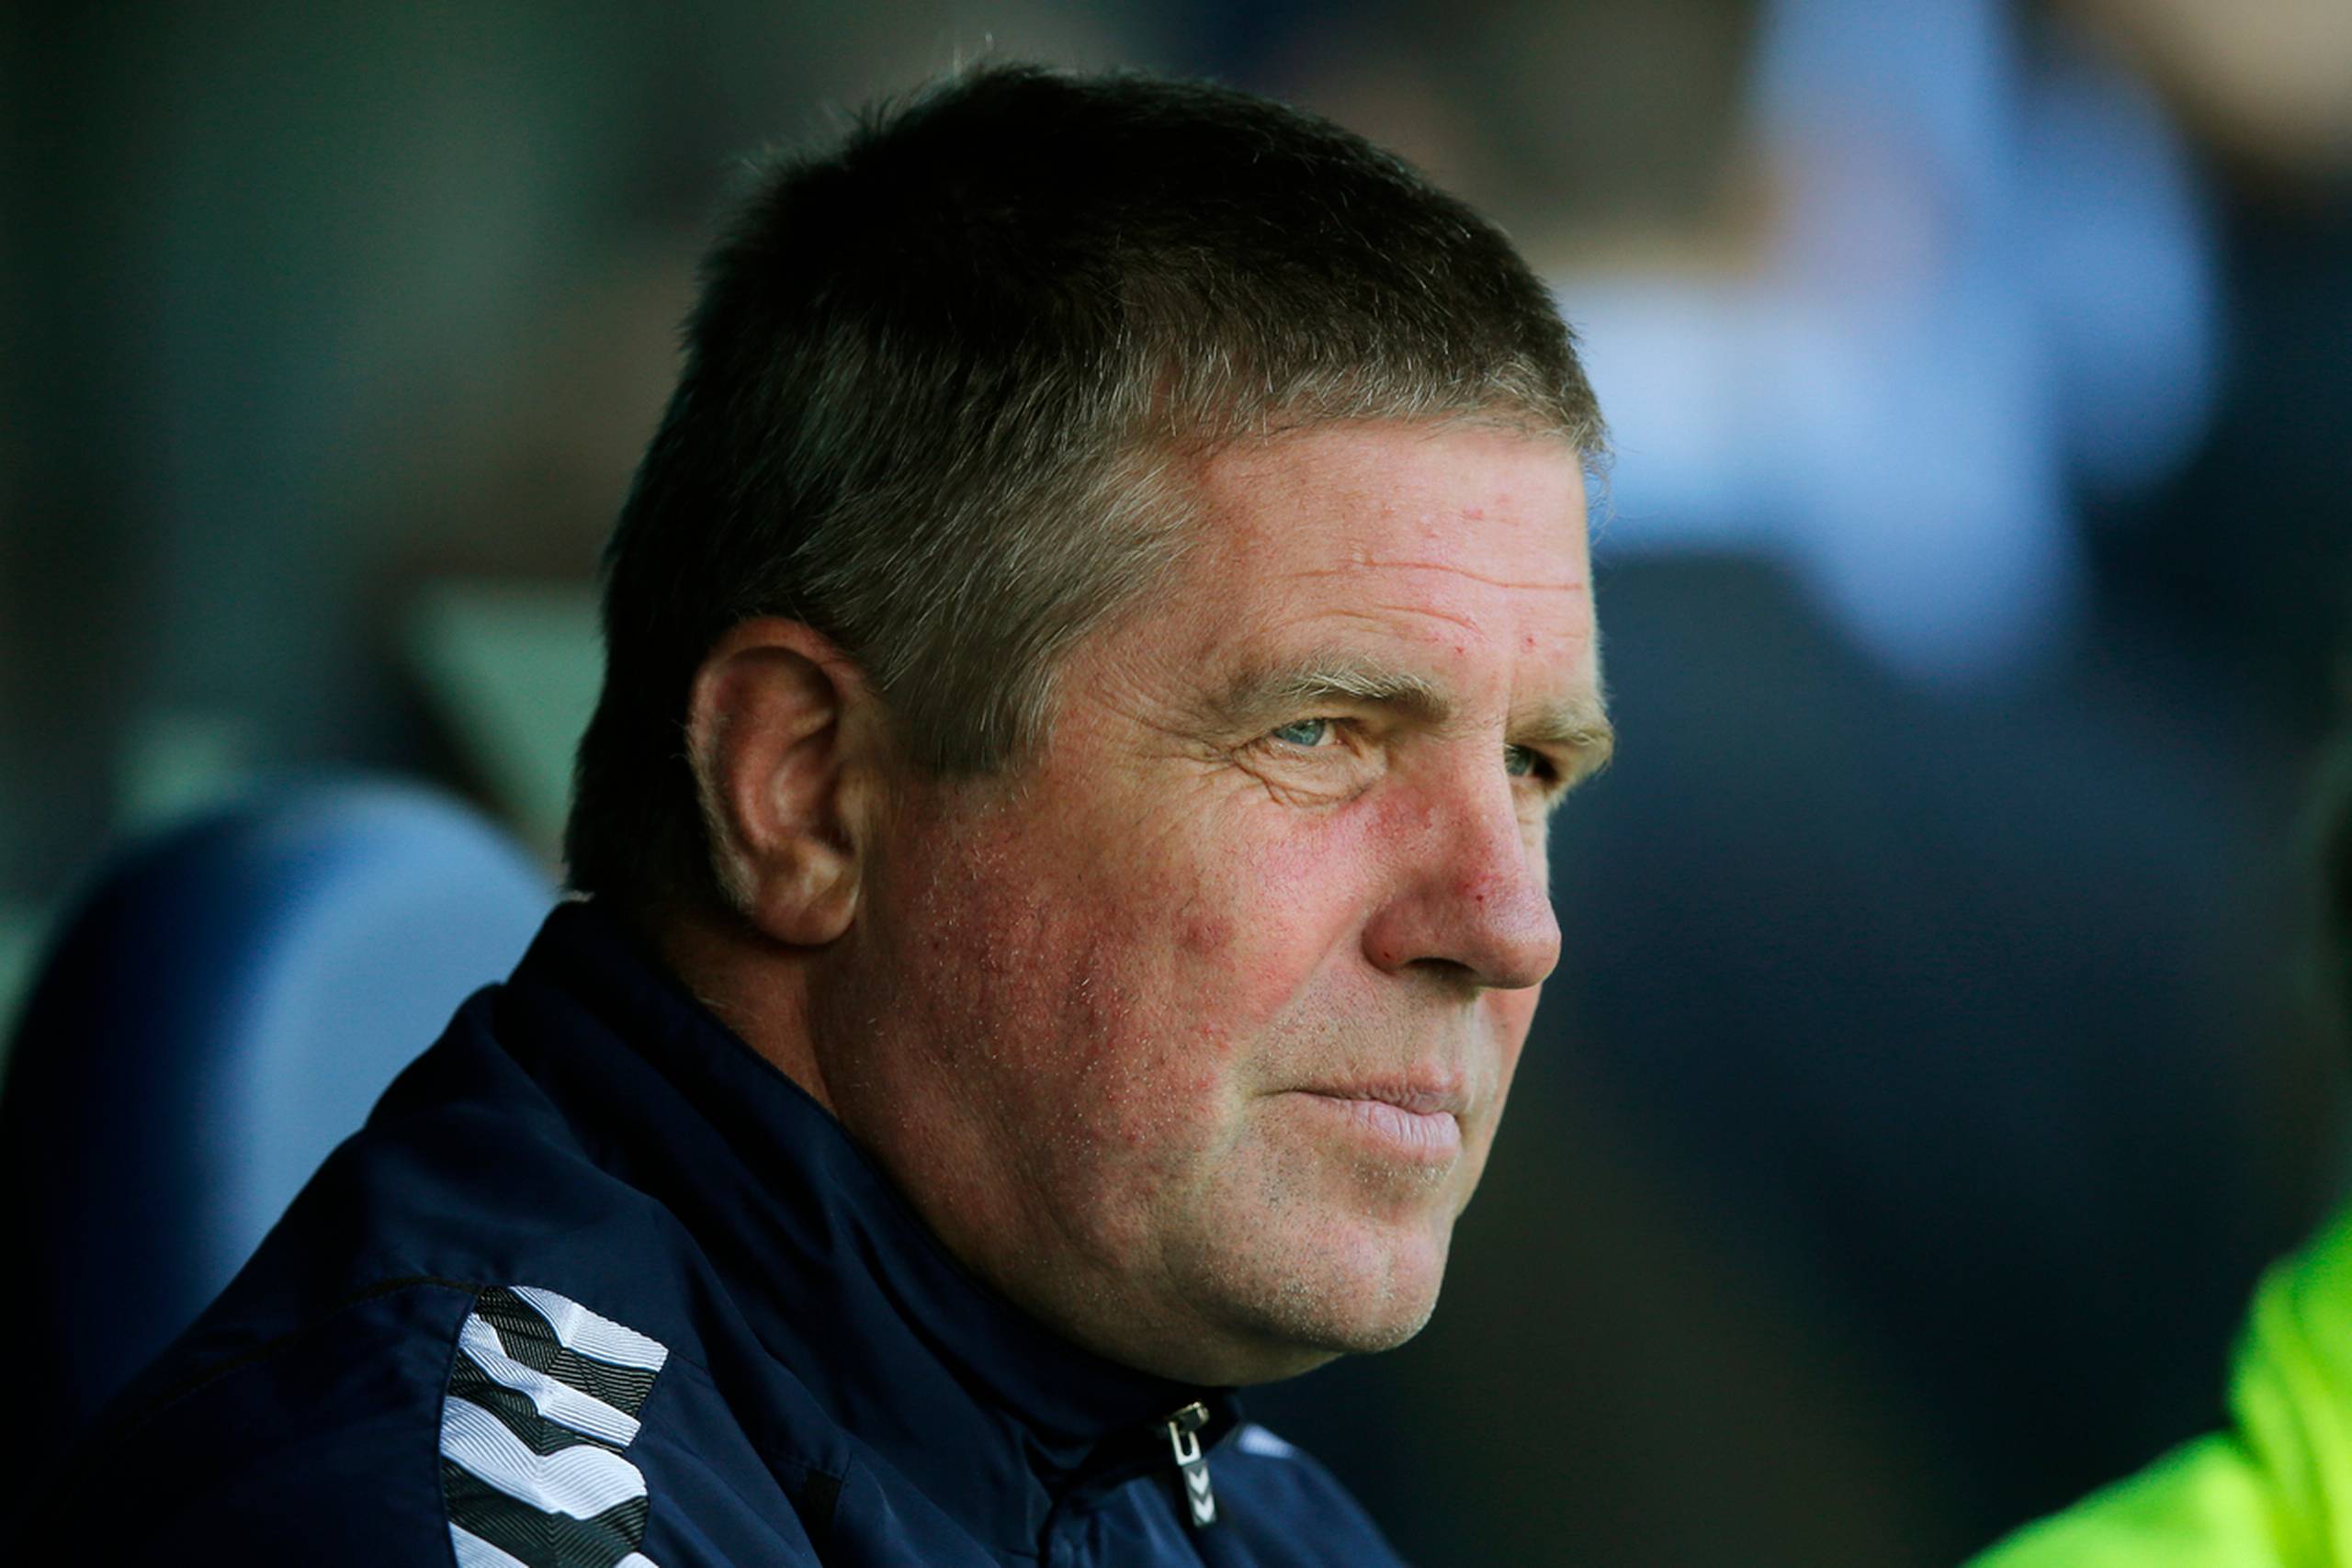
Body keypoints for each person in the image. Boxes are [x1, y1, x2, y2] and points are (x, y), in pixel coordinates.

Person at [19, 64, 1610, 1566]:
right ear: (803, 793)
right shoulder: (444, 1518)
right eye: (1319, 732)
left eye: (1534, 768)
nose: (1505, 924)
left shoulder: (1217, 1501)